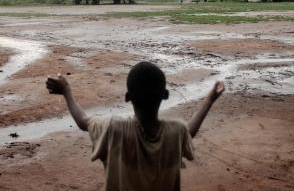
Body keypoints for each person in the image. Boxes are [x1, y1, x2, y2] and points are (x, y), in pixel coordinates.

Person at [46, 61, 225, 191]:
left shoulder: (113, 128)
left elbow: (83, 121)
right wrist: (209, 100)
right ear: (165, 95)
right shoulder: (176, 131)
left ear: (127, 97)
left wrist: (67, 92)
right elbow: (188, 132)